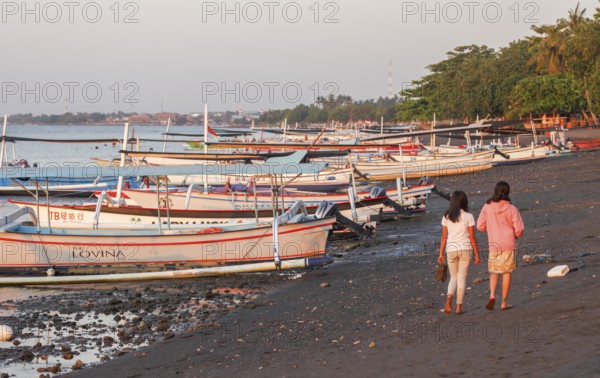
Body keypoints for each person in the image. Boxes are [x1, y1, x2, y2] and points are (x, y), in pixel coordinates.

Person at [477, 181, 524, 311]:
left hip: (494, 243)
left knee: (494, 272)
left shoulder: (487, 207)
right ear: (507, 192)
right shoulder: (512, 208)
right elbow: (519, 228)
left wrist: (491, 228)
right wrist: (515, 235)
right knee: (507, 272)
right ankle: (504, 302)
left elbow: (480, 226)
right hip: (508, 242)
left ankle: (492, 295)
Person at [438, 191, 480, 314]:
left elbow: (444, 237)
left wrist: (440, 253)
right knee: (461, 278)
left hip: (450, 249)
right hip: (465, 249)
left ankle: (449, 298)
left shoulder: (446, 216)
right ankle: (458, 307)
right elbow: (472, 237)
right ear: (464, 201)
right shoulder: (468, 216)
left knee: (453, 277)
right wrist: (477, 254)